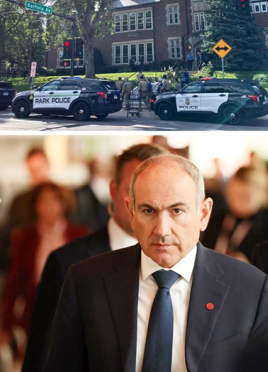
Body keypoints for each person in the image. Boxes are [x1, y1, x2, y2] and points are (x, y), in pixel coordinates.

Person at [45, 154, 268, 371]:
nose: (162, 230)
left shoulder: (252, 289)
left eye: (177, 211)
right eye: (148, 211)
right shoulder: (85, 281)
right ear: (132, 213)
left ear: (204, 214)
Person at [22, 143, 169, 372]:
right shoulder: (68, 262)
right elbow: (43, 356)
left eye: (159, 191)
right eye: (134, 190)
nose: (146, 202)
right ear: (113, 190)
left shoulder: (182, 261)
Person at [0, 182, 88, 364]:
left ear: (63, 204)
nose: (48, 207)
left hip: (72, 312)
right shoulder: (24, 237)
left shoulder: (79, 235)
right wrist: (5, 326)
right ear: (35, 206)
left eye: (54, 201)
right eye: (43, 201)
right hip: (35, 313)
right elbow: (13, 285)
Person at [201, 166, 268, 263]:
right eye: (233, 195)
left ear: (261, 195)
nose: (237, 202)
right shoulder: (217, 218)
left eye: (244, 197)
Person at [0, 148, 53, 272]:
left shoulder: (62, 198)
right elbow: (8, 233)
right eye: (32, 171)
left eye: (38, 170)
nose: (36, 175)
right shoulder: (19, 201)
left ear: (47, 166)